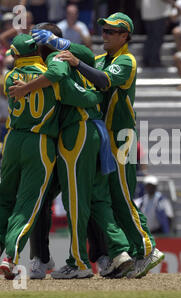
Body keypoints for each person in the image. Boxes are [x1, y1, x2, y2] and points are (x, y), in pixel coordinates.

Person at [31, 13, 165, 279]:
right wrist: (67, 49)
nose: (105, 34)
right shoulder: (102, 59)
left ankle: (147, 248)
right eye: (103, 30)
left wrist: (72, 57)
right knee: (107, 198)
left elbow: (102, 81)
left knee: (123, 197)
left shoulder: (127, 60)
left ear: (125, 36)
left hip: (122, 135)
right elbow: (88, 66)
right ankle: (124, 253)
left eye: (112, 31)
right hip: (104, 135)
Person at [8, 24, 134, 280]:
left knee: (75, 202)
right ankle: (119, 251)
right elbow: (86, 59)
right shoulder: (54, 62)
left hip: (74, 134)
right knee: (97, 199)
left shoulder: (55, 60)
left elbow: (77, 93)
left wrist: (91, 95)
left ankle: (79, 261)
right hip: (87, 133)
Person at [0, 33, 111, 279]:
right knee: (28, 205)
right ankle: (10, 255)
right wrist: (96, 96)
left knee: (3, 198)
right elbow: (63, 79)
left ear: (15, 55)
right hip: (40, 141)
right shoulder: (51, 74)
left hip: (12, 140)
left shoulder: (9, 76)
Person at [141, 0, 173, 68]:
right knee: (157, 39)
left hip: (148, 13)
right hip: (157, 14)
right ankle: (154, 61)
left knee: (150, 38)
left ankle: (146, 60)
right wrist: (174, 4)